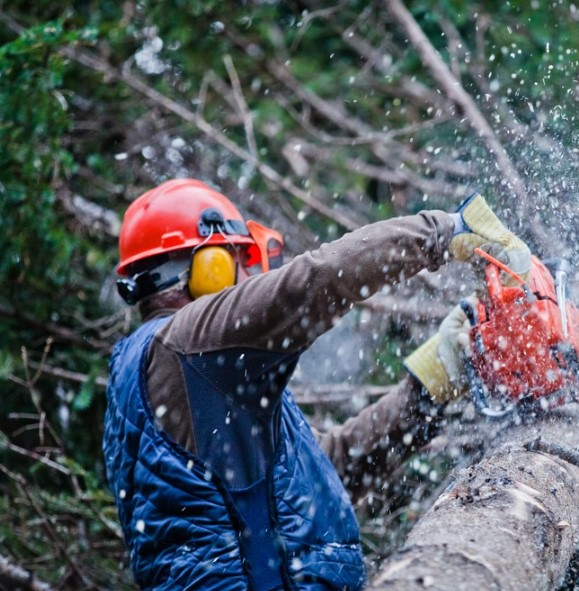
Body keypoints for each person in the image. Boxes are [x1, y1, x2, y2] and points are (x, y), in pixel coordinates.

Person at [103, 178, 529, 591]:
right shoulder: (189, 344)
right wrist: (447, 230)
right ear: (206, 268)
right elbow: (312, 283)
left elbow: (320, 478)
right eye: (236, 260)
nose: (247, 277)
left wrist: (428, 388)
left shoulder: (181, 372)